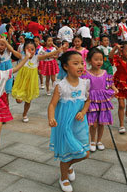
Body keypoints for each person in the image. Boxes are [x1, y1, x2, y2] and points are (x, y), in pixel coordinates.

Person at [48, 51, 91, 192]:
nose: (80, 66)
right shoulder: (61, 86)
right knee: (66, 156)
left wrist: (83, 112)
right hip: (65, 125)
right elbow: (52, 104)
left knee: (85, 153)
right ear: (66, 66)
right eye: (76, 63)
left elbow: (87, 101)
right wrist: (51, 118)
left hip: (79, 125)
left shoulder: (84, 83)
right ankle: (63, 178)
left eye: (82, 63)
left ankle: (69, 166)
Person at [12, 40, 65, 122]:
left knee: (28, 100)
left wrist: (59, 50)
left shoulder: (36, 58)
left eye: (32, 49)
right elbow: (12, 51)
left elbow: (48, 54)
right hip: (21, 81)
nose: (30, 51)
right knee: (19, 100)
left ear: (35, 50)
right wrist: (5, 43)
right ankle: (22, 107)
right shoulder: (22, 57)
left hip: (31, 82)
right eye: (28, 49)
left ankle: (25, 114)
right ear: (24, 50)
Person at [80, 48, 117, 152]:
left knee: (101, 122)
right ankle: (92, 141)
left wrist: (114, 89)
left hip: (103, 100)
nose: (99, 61)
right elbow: (83, 87)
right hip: (91, 100)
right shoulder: (86, 73)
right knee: (93, 123)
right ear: (90, 60)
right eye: (96, 59)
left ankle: (99, 141)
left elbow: (109, 84)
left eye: (101, 59)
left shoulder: (105, 72)